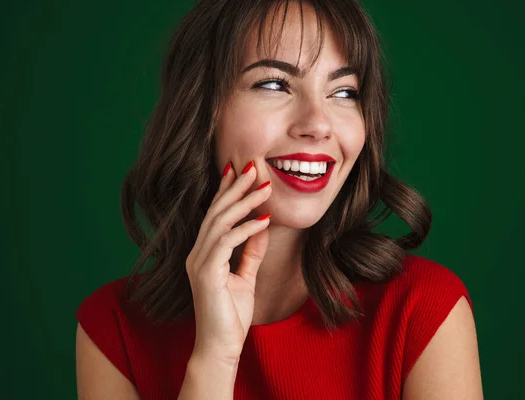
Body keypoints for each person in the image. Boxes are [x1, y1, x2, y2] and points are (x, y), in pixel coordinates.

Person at [75, 0, 484, 399]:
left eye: (344, 92)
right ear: (201, 111)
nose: (318, 124)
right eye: (274, 84)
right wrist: (214, 360)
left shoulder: (423, 311)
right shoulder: (113, 330)